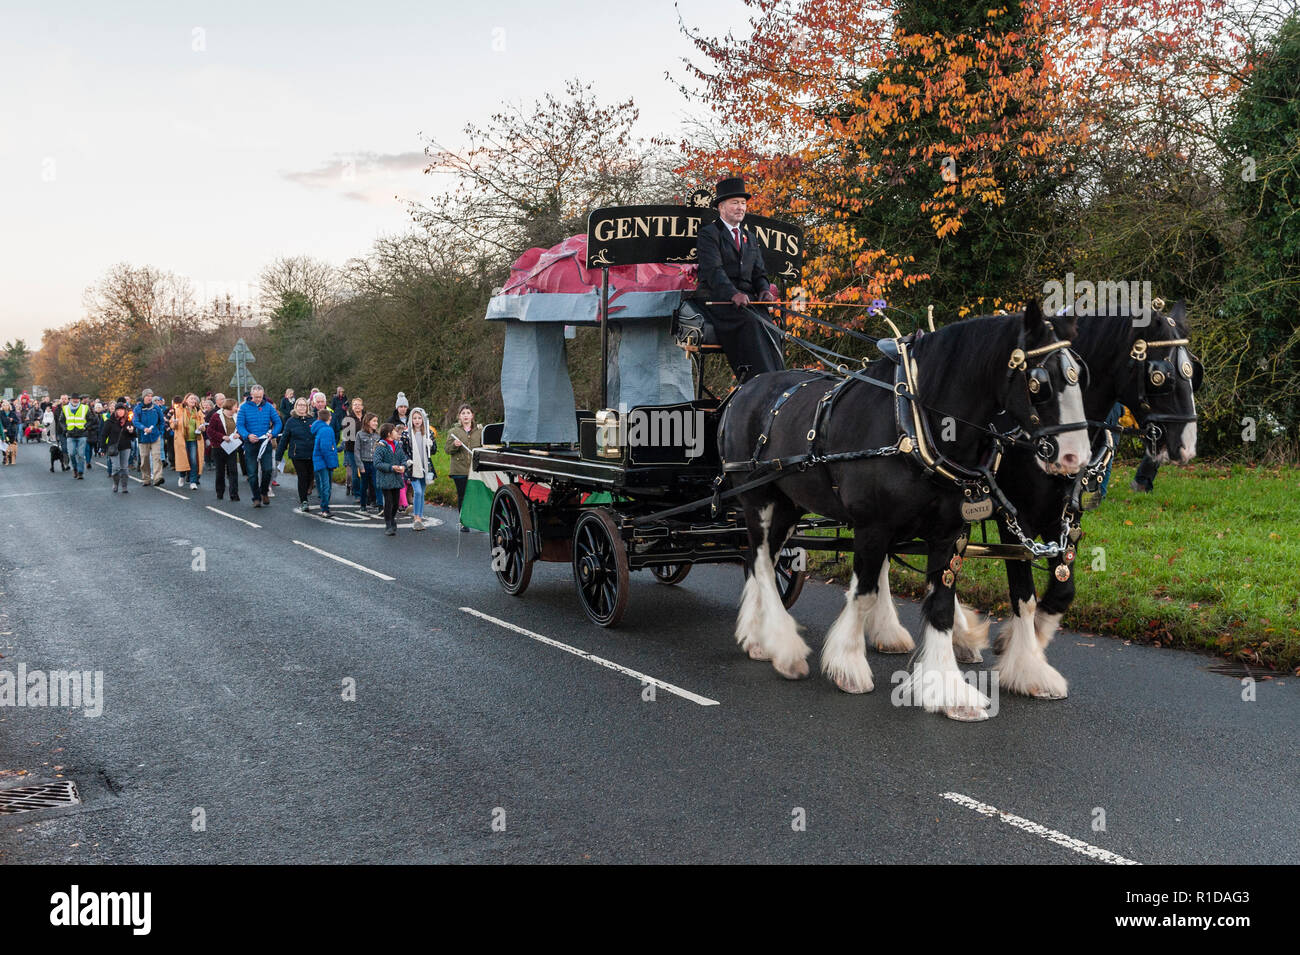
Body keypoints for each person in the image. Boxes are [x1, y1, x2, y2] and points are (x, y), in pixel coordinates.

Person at [693, 175, 785, 383]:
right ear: (721, 207)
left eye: (743, 203)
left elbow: (759, 272)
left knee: (771, 324)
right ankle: (757, 380)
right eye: (735, 203)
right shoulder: (709, 234)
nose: (740, 208)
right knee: (751, 322)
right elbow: (713, 271)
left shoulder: (749, 237)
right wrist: (733, 293)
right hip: (718, 298)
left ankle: (778, 378)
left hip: (747, 299)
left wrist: (764, 290)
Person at [236, 385, 282, 508]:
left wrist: (272, 434)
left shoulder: (268, 407)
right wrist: (247, 435)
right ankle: (256, 497)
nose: (258, 399)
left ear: (263, 395)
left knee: (268, 469)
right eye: (256, 397)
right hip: (250, 444)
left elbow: (278, 422)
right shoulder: (244, 408)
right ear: (251, 395)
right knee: (252, 473)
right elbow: (240, 425)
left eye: (260, 397)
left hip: (265, 443)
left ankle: (264, 492)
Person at [445, 403, 483, 533]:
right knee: (463, 496)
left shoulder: (480, 431)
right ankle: (463, 522)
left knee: (477, 496)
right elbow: (447, 450)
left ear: (472, 415)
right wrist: (455, 445)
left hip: (476, 469)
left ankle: (478, 522)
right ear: (459, 416)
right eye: (463, 413)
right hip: (459, 470)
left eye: (468, 413)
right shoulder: (453, 432)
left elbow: (484, 448)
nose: (465, 415)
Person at [373, 422, 411, 535]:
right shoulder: (381, 446)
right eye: (394, 431)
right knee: (388, 502)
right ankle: (388, 524)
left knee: (395, 502)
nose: (396, 433)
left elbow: (403, 458)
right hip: (385, 478)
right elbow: (377, 463)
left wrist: (404, 466)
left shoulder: (397, 445)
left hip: (396, 478)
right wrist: (391, 467)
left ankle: (392, 518)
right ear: (389, 433)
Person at [281, 397, 317, 511]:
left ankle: (306, 491)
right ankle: (304, 501)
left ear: (307, 407)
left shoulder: (313, 420)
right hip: (297, 454)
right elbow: (284, 438)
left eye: (304, 405)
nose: (301, 407)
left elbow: (318, 435)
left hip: (312, 453)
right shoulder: (291, 421)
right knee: (302, 477)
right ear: (295, 407)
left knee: (310, 476)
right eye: (299, 405)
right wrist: (279, 455)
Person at [404, 407, 437, 531]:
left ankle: (419, 517)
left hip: (425, 467)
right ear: (411, 419)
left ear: (423, 419)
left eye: (419, 418)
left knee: (422, 493)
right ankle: (416, 518)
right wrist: (407, 461)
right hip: (412, 467)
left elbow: (432, 452)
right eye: (414, 418)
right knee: (417, 491)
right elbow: (403, 451)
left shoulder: (428, 433)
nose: (417, 420)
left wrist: (431, 444)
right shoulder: (406, 434)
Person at [206, 397, 242, 502]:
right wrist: (222, 437)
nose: (237, 408)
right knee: (220, 471)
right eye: (235, 406)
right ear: (230, 407)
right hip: (218, 447)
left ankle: (234, 494)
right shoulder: (216, 416)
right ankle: (220, 492)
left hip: (232, 447)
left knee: (233, 471)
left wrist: (238, 435)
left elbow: (241, 428)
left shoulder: (237, 416)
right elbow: (210, 431)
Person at [101, 401, 136, 493]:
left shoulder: (128, 422)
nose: (121, 412)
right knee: (116, 467)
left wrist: (131, 431)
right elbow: (103, 435)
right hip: (113, 447)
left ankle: (124, 486)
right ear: (115, 411)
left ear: (125, 411)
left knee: (124, 467)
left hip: (125, 446)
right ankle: (116, 483)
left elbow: (134, 436)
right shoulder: (109, 422)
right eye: (118, 410)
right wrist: (102, 447)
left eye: (122, 410)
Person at [173, 393, 204, 490]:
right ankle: (182, 475)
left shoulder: (198, 411)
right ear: (186, 400)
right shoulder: (178, 410)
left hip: (194, 439)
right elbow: (172, 424)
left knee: (193, 460)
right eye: (191, 399)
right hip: (182, 439)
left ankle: (193, 481)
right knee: (183, 459)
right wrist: (174, 423)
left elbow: (203, 423)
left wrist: (202, 427)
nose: (193, 400)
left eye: (194, 399)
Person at [311, 408, 339, 518]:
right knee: (326, 486)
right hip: (325, 462)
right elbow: (326, 448)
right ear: (330, 418)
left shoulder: (318, 428)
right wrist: (332, 463)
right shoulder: (327, 429)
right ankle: (325, 509)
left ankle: (324, 507)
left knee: (322, 485)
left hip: (318, 460)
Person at [62, 395, 93, 479]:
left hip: (82, 434)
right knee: (71, 453)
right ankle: (75, 469)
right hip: (70, 434)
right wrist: (65, 429)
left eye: (77, 399)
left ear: (79, 400)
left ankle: (80, 472)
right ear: (70, 400)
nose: (75, 400)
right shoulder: (65, 408)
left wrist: (86, 427)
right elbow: (61, 421)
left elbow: (90, 419)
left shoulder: (85, 407)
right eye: (73, 399)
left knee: (80, 454)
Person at [339, 397, 364, 500]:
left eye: (359, 404)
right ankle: (357, 493)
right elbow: (346, 437)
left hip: (365, 449)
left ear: (362, 406)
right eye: (355, 404)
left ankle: (365, 492)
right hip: (352, 449)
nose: (357, 406)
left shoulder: (366, 417)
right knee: (355, 471)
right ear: (352, 407)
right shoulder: (348, 419)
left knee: (366, 471)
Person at [355, 413, 380, 514]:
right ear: (367, 422)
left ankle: (380, 505)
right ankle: (363, 505)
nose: (376, 423)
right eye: (374, 421)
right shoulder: (360, 434)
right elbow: (357, 451)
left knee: (377, 484)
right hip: (364, 463)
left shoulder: (377, 435)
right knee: (364, 485)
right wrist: (360, 466)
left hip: (375, 464)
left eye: (377, 421)